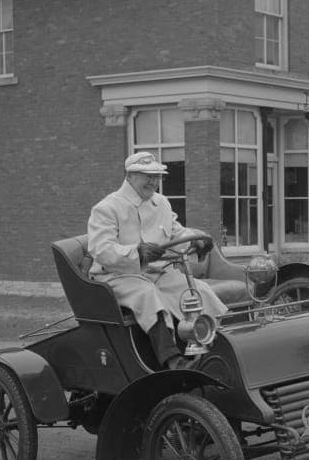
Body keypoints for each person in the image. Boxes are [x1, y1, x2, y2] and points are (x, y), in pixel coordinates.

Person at [88, 151, 229, 370]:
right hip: (116, 276)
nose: (154, 181)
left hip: (156, 273)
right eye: (147, 175)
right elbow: (101, 250)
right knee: (147, 296)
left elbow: (176, 233)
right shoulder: (107, 208)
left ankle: (215, 345)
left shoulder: (161, 203)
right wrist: (137, 252)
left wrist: (196, 241)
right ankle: (173, 360)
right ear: (130, 176)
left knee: (198, 290)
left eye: (157, 176)